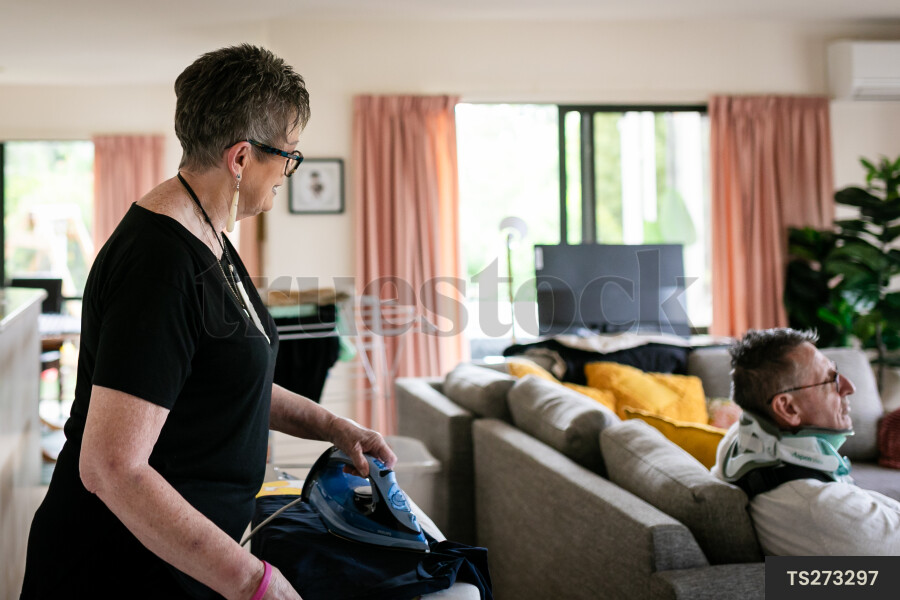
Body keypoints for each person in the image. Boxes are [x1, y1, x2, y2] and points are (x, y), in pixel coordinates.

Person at [20, 45, 396, 600]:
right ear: (241, 158)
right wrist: (253, 581)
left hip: (176, 561)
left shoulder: (209, 235)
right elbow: (111, 466)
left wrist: (336, 429)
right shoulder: (161, 264)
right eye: (288, 156)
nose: (289, 171)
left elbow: (226, 383)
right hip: (118, 568)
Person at [712, 328, 900, 555]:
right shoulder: (823, 508)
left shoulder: (740, 444)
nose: (849, 387)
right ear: (788, 408)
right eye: (830, 380)